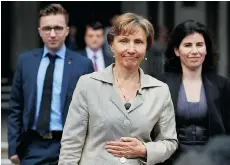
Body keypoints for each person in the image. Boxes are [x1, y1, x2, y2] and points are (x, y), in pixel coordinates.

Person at [58, 12, 178, 165]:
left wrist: (144, 150)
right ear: (111, 45)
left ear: (147, 47)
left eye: (139, 42)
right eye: (124, 41)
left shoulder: (160, 91)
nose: (131, 49)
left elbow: (169, 142)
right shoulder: (88, 84)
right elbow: (71, 144)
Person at [8, 4, 94, 165]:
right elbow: (16, 107)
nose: (52, 34)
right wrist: (13, 147)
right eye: (47, 28)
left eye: (58, 28)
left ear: (67, 30)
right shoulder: (26, 61)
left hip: (68, 145)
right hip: (31, 146)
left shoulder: (83, 64)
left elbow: (91, 110)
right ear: (40, 31)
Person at [156, 20, 230, 165]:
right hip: (171, 160)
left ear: (206, 49)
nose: (194, 51)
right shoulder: (161, 84)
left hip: (214, 159)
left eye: (199, 45)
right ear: (177, 51)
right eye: (188, 45)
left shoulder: (221, 84)